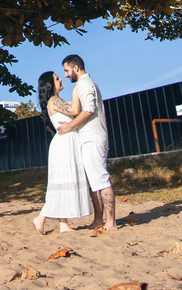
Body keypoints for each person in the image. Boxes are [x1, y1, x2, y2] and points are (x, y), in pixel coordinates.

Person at [57, 54, 117, 231]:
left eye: (67, 70)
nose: (66, 75)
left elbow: (89, 110)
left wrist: (69, 126)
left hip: (92, 138)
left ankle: (111, 222)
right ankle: (99, 219)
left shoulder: (84, 84)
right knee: (94, 182)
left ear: (76, 68)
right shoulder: (83, 85)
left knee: (101, 180)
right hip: (89, 138)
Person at [31, 71, 91, 234]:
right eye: (57, 79)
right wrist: (76, 90)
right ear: (51, 84)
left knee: (64, 181)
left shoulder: (56, 100)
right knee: (63, 182)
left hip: (66, 142)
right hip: (64, 144)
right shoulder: (54, 100)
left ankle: (63, 224)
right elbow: (74, 110)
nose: (61, 80)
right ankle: (41, 217)